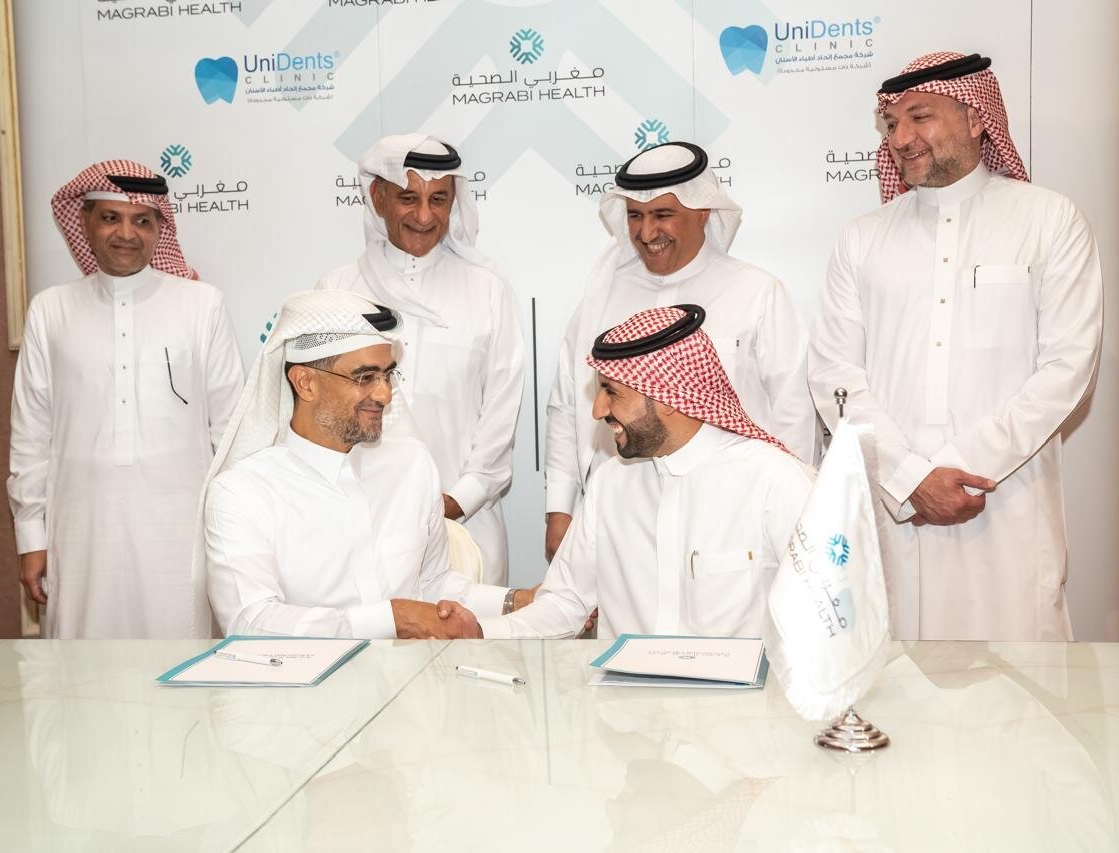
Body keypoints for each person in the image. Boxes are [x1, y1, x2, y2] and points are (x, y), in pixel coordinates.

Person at [807, 52, 1103, 640]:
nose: (901, 138)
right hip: (895, 508)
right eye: (892, 123)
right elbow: (835, 375)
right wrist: (910, 477)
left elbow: (1067, 368)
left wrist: (966, 468)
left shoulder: (1049, 220)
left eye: (920, 117)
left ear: (975, 117)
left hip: (1005, 502)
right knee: (897, 678)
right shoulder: (862, 239)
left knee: (1018, 681)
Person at [451, 304, 813, 639]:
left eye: (611, 392)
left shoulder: (775, 482)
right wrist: (480, 633)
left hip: (735, 692)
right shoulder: (610, 483)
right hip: (621, 690)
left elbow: (822, 618)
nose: (597, 410)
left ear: (668, 396)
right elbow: (564, 604)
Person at [7, 160, 244, 639]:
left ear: (160, 228)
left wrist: (237, 535)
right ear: (85, 222)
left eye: (142, 221)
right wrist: (31, 536)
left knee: (177, 658)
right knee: (80, 664)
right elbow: (31, 432)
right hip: (80, 529)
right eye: (110, 218)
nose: (126, 234)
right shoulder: (51, 310)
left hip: (180, 528)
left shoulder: (202, 304)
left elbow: (232, 431)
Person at [544, 141, 815, 560]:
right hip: (621, 514)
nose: (646, 233)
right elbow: (567, 405)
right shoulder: (601, 296)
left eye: (662, 215)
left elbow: (793, 413)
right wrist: (559, 510)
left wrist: (789, 510)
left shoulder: (756, 292)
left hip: (730, 514)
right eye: (635, 216)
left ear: (703, 210)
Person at [200, 289, 508, 639]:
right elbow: (250, 623)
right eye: (365, 377)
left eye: (387, 375)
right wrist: (393, 619)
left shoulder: (412, 464)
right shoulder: (241, 493)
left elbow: (433, 583)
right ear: (305, 383)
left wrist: (517, 601)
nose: (385, 395)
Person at [317, 134, 524, 585]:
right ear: (378, 197)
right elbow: (320, 413)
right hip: (361, 526)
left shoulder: (487, 289)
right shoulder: (339, 288)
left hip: (466, 525)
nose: (425, 216)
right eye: (409, 198)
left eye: (439, 200)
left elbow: (501, 413)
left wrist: (453, 502)